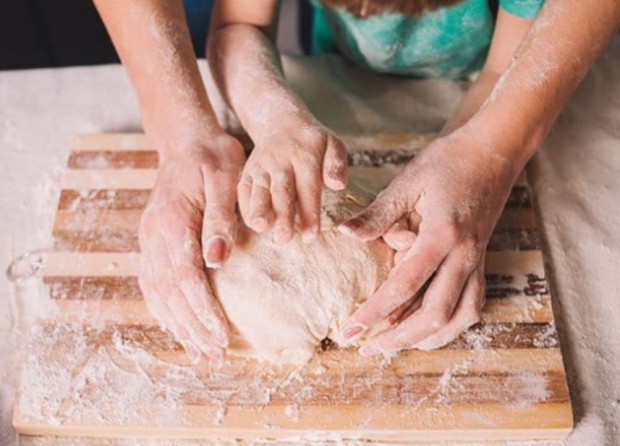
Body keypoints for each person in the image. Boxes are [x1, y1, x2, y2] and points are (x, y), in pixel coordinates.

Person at [94, 0, 620, 364]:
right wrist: (271, 119)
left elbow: (506, 70)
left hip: (522, 63)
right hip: (340, 64)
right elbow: (241, 27)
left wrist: (486, 155)